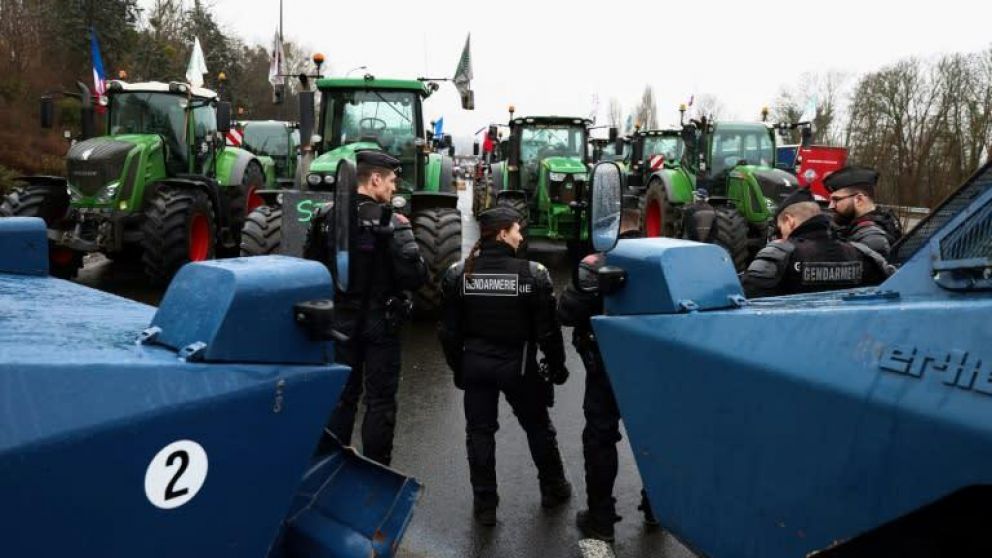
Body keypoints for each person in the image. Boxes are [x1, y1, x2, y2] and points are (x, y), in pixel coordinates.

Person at [438, 207, 572, 526]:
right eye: (516, 229)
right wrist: (557, 368)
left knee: (479, 433)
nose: (521, 235)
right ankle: (553, 488)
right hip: (519, 367)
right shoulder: (533, 274)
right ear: (501, 234)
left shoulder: (459, 274)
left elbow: (448, 332)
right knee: (538, 426)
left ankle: (485, 505)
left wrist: (459, 368)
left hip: (475, 366)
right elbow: (548, 332)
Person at [304, 149, 427, 466]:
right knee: (380, 401)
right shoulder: (394, 221)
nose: (394, 188)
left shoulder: (324, 217)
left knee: (342, 398)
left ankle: (330, 465)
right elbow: (414, 276)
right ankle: (375, 469)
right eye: (391, 181)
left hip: (339, 323)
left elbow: (312, 268)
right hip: (381, 326)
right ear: (374, 179)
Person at [558, 209, 657, 543]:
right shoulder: (659, 260)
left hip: (606, 366)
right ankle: (657, 508)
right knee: (653, 440)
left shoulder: (596, 262)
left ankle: (601, 519)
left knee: (600, 439)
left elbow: (567, 312)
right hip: (654, 368)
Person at [741, 190, 893, 298]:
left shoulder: (779, 254)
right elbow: (892, 290)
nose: (782, 236)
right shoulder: (863, 253)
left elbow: (746, 298)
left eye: (781, 229)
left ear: (789, 220)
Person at [824, 166, 903, 258]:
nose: (831, 206)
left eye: (836, 200)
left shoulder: (872, 239)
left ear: (859, 200)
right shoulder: (863, 227)